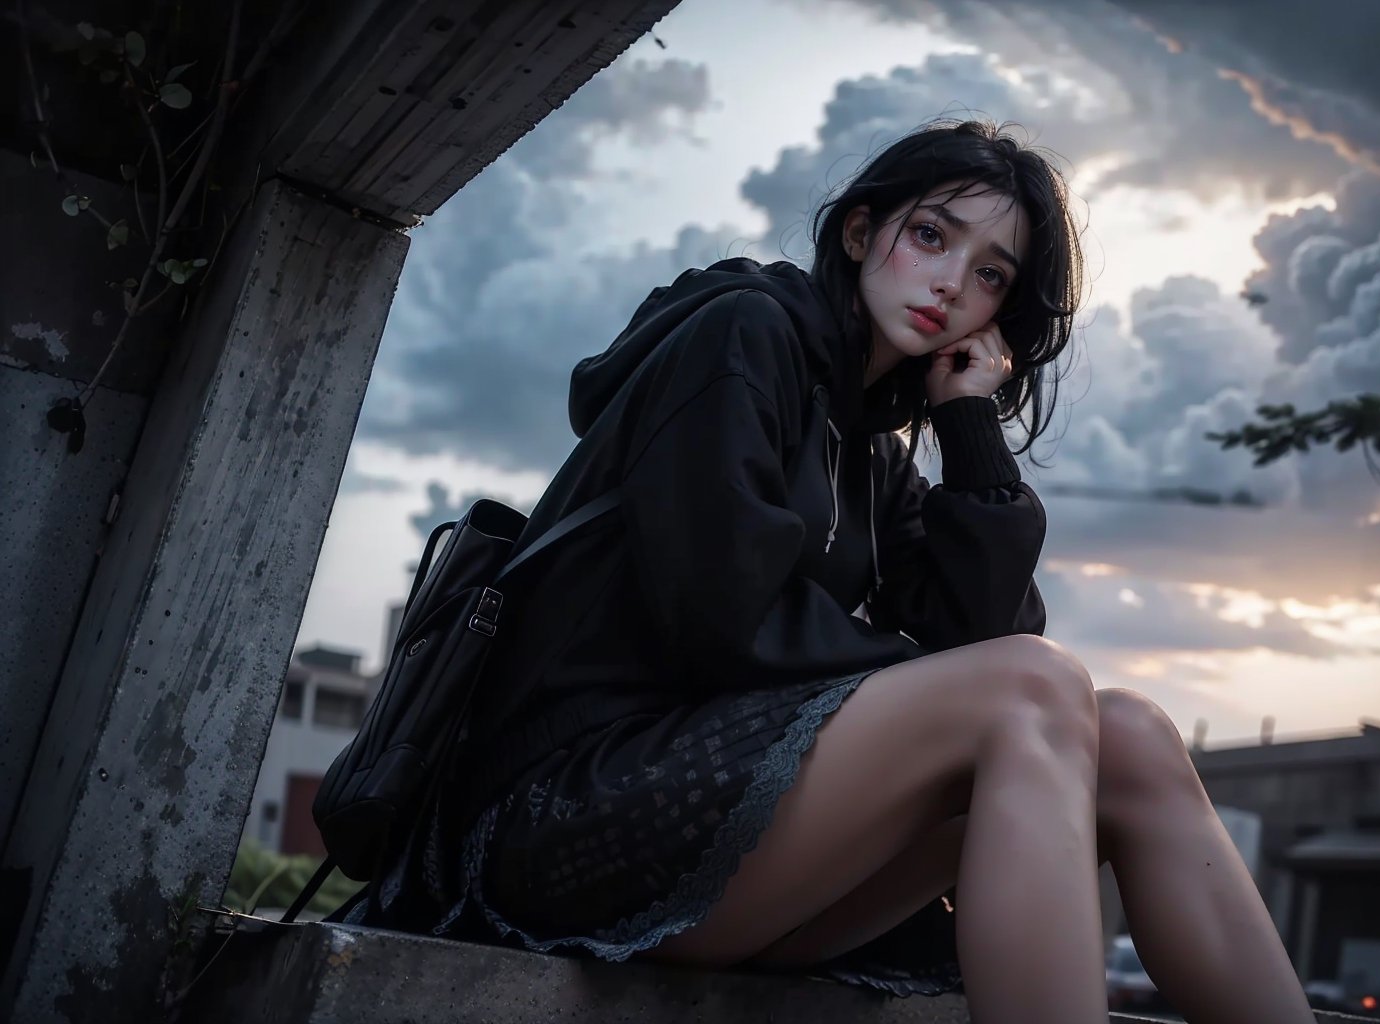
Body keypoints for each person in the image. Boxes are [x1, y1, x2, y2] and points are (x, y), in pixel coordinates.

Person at [384, 119, 1316, 1024]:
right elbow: (721, 622)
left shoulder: (874, 449)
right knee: (1032, 691)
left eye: (989, 274)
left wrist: (968, 427)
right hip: (562, 819)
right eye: (930, 236)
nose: (951, 284)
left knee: (1132, 736)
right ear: (865, 231)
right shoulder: (742, 335)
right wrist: (932, 682)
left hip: (731, 842)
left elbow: (988, 643)